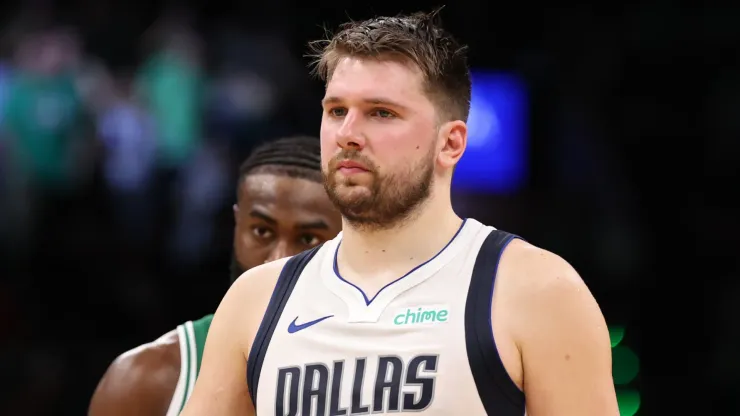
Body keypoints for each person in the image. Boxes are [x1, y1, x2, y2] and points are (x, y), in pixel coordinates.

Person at [181, 9, 619, 416]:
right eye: (337, 111)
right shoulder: (254, 300)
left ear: (451, 143)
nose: (348, 133)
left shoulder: (537, 291)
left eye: (381, 113)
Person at [87, 136, 342, 416]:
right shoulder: (147, 379)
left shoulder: (379, 374)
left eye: (308, 238)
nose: (278, 260)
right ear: (236, 226)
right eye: (262, 231)